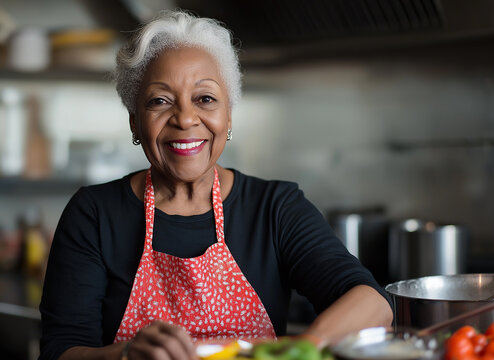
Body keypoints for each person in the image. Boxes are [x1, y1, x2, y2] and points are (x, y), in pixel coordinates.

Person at [39, 9, 393, 360]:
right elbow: (60, 350)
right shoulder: (94, 214)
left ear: (228, 115)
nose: (186, 118)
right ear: (135, 123)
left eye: (205, 99)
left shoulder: (274, 207)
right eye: (160, 101)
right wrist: (126, 355)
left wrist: (301, 347)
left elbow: (374, 304)